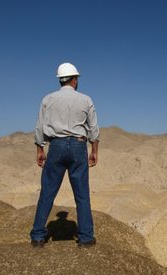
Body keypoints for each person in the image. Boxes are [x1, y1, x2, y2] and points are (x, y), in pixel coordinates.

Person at [30, 62, 99, 249]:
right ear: (75, 80)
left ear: (60, 80)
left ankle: (37, 236)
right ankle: (85, 238)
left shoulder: (48, 99)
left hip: (56, 146)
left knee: (47, 192)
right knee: (82, 195)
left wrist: (40, 149)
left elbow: (39, 126)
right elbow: (93, 128)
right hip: (78, 146)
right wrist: (94, 150)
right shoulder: (86, 99)